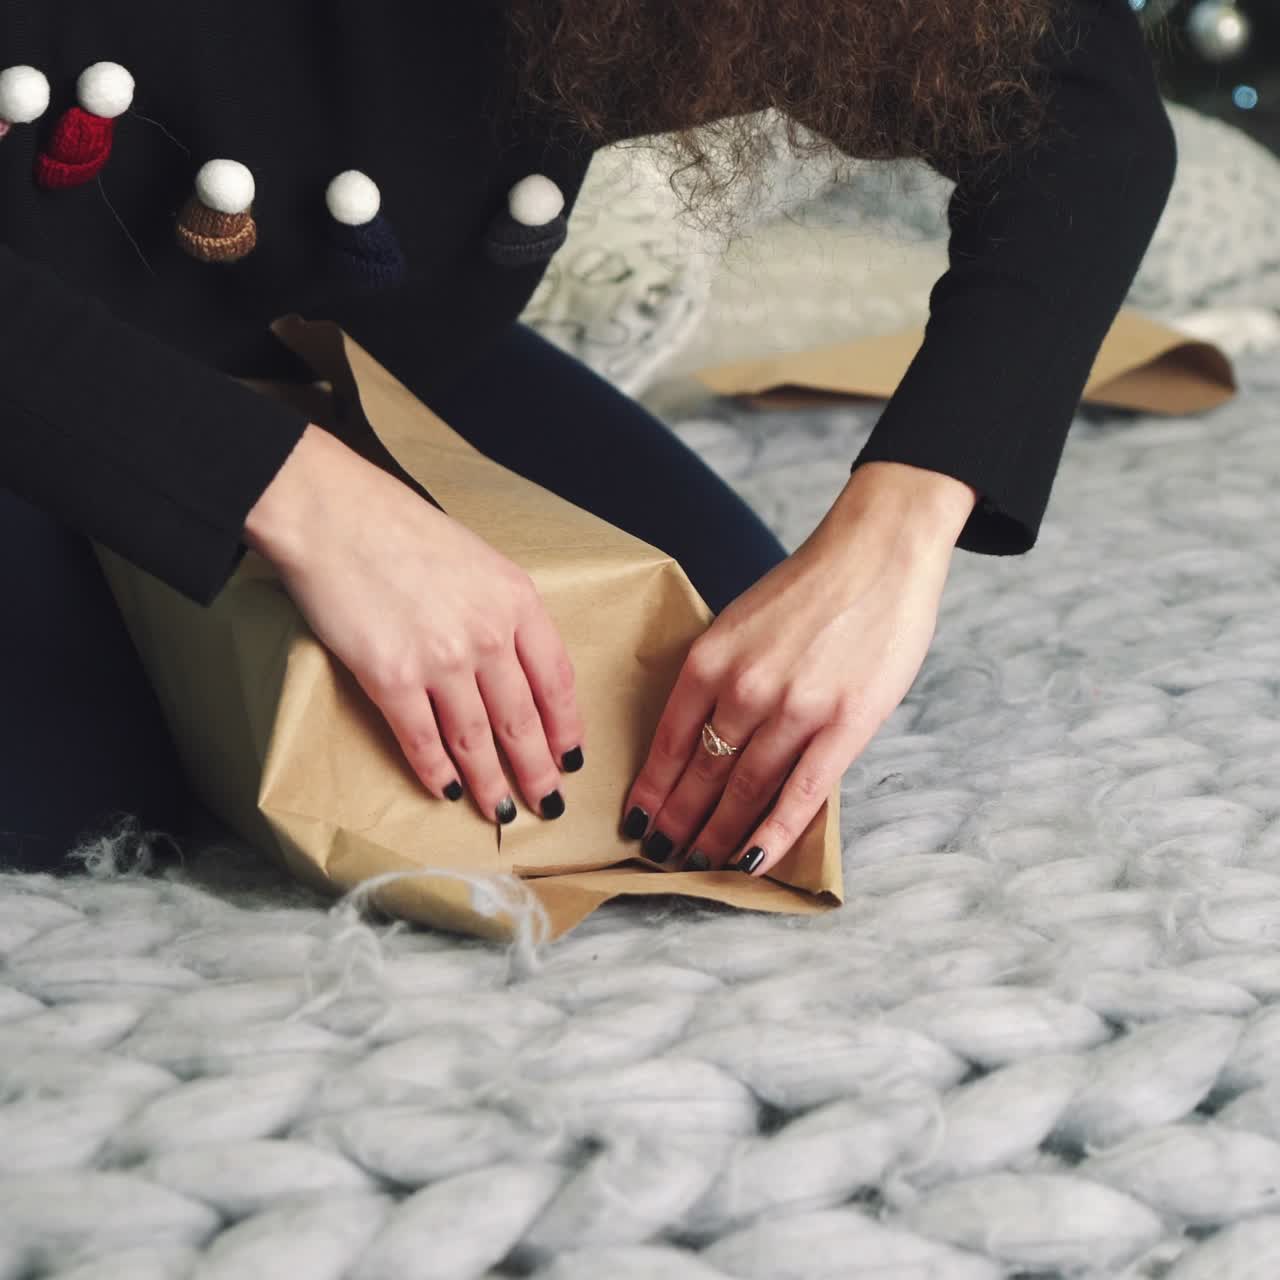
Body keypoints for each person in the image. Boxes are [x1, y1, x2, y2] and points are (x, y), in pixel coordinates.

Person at [0, 1, 1174, 880]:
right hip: (41, 313)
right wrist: (300, 498)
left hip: (355, 323)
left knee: (693, 664)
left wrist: (898, 529)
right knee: (81, 794)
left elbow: (1085, 110)